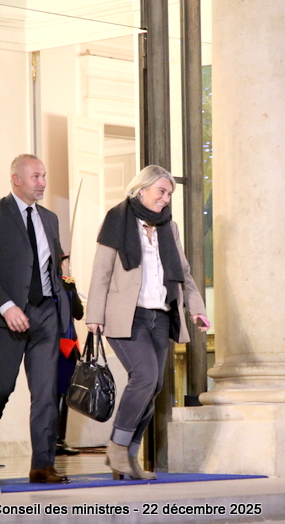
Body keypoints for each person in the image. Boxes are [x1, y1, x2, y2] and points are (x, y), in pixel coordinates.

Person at [85, 164, 210, 480]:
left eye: (169, 194)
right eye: (162, 192)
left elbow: (183, 274)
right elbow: (101, 272)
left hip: (160, 315)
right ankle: (117, 445)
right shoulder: (117, 219)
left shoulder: (169, 227)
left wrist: (196, 308)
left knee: (153, 385)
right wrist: (94, 316)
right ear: (142, 189)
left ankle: (127, 457)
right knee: (144, 376)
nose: (166, 199)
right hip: (127, 316)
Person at [0, 154, 71, 484]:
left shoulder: (50, 219)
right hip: (4, 318)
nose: (42, 182)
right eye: (35, 177)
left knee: (45, 393)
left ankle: (42, 466)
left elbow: (53, 266)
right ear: (16, 179)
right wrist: (7, 307)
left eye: (44, 176)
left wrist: (63, 299)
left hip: (45, 315)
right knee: (1, 386)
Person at [56, 255, 83, 456]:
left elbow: (79, 313)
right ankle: (54, 440)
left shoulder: (66, 285)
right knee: (55, 394)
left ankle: (57, 439)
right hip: (56, 346)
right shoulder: (64, 285)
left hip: (62, 346)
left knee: (61, 394)